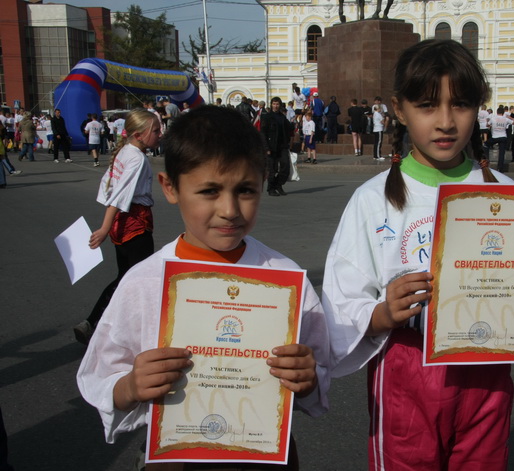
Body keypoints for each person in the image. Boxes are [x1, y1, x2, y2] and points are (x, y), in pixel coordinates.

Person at [321, 39, 514, 471]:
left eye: (460, 104)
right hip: (406, 367)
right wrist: (384, 313)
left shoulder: (509, 195)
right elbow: (341, 299)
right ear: (399, 109)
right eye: (427, 105)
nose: (445, 121)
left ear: (478, 106)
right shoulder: (373, 200)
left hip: (488, 370)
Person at [76, 105, 330, 470]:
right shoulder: (145, 281)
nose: (229, 209)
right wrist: (130, 386)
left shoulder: (286, 280)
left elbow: (318, 373)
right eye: (209, 191)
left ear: (262, 181)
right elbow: (100, 376)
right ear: (170, 187)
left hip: (263, 454)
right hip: (175, 457)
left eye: (245, 190)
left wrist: (308, 378)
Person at [72, 110, 162, 345]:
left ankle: (95, 324)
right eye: (156, 131)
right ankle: (106, 326)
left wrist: (109, 226)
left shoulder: (125, 151)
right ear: (138, 135)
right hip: (135, 224)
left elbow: (108, 186)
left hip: (122, 224)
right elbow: (119, 195)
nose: (160, 134)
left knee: (126, 277)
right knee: (138, 279)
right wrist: (103, 228)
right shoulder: (137, 159)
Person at [260, 97, 292, 197]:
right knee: (272, 170)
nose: (276, 106)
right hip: (271, 147)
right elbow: (263, 133)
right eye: (274, 104)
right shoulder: (267, 117)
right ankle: (271, 189)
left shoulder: (282, 117)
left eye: (277, 104)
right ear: (271, 105)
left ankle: (278, 185)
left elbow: (288, 129)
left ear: (280, 105)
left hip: (282, 146)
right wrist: (266, 148)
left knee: (285, 167)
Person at [484, 106, 514, 172]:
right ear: (503, 113)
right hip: (503, 136)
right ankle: (500, 168)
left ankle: (487, 159)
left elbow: (487, 125)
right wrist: (511, 118)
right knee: (501, 153)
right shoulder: (506, 119)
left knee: (485, 145)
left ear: (497, 112)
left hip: (495, 137)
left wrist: (491, 124)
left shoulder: (493, 119)